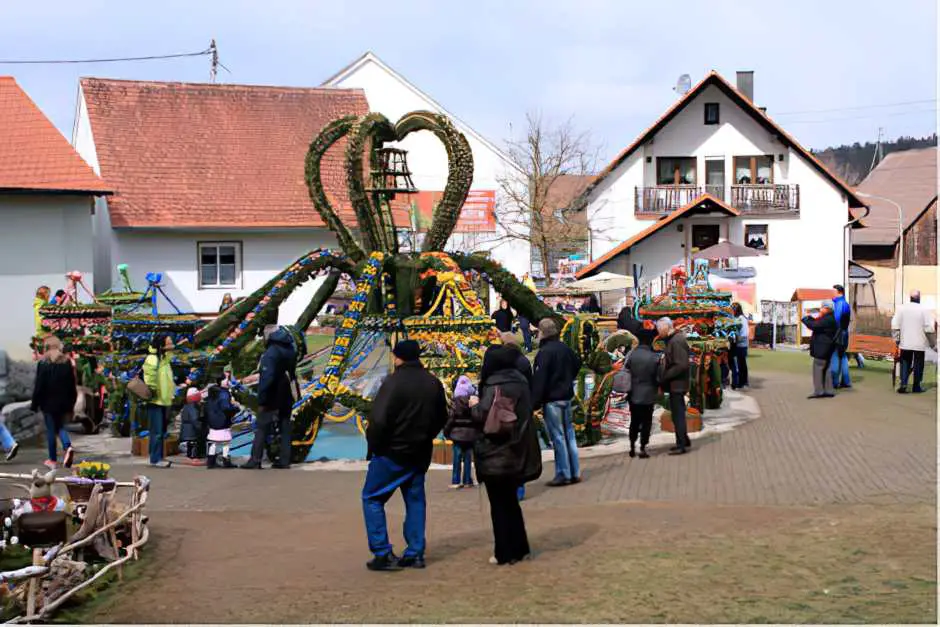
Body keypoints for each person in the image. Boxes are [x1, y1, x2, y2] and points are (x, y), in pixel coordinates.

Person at [362, 340, 447, 571]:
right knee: (415, 500)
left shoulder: (392, 383)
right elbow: (442, 416)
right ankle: (415, 551)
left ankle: (382, 551)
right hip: (419, 451)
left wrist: (376, 446)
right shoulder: (432, 382)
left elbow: (378, 420)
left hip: (392, 452)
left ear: (398, 357)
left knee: (372, 498)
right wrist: (426, 435)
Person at [470, 344, 541, 565]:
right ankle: (521, 547)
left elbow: (484, 415)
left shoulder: (494, 385)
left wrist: (473, 405)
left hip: (496, 451)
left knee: (499, 504)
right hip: (518, 448)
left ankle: (504, 551)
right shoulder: (521, 381)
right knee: (511, 501)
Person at [531, 318, 582, 486]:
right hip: (566, 396)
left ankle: (563, 473)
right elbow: (577, 364)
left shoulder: (545, 353)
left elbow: (540, 379)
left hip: (552, 399)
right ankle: (575, 471)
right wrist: (567, 380)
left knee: (558, 437)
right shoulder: (565, 349)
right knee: (569, 435)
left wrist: (534, 402)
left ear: (542, 333)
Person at [242, 325, 298, 469]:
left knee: (262, 426)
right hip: (286, 391)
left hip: (273, 392)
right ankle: (284, 460)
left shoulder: (271, 352)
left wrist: (262, 399)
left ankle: (255, 459)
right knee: (285, 426)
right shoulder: (290, 349)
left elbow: (268, 376)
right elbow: (291, 372)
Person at [30, 335, 76, 469]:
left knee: (51, 429)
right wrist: (71, 402)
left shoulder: (43, 363)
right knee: (60, 426)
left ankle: (52, 460)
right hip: (63, 402)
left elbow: (39, 385)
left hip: (48, 403)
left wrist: (35, 404)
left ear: (46, 347)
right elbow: (71, 385)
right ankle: (67, 447)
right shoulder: (66, 362)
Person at [657, 317, 692, 455]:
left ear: (666, 327)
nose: (659, 333)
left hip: (677, 384)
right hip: (676, 383)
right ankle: (684, 439)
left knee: (678, 415)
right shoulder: (674, 339)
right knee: (677, 413)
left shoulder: (676, 341)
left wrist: (665, 375)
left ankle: (681, 444)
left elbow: (681, 364)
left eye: (659, 329)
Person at [892, 290, 937, 394]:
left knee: (905, 362)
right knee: (918, 364)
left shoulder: (901, 308)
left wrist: (897, 340)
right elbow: (929, 328)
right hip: (919, 342)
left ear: (910, 298)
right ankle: (916, 386)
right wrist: (932, 344)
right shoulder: (924, 310)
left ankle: (903, 384)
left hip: (905, 341)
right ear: (919, 298)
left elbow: (895, 325)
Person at [143, 334, 176, 468]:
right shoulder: (152, 359)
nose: (171, 345)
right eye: (168, 343)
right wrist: (152, 390)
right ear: (161, 345)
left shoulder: (165, 359)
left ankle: (160, 457)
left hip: (164, 399)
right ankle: (155, 459)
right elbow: (149, 377)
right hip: (155, 400)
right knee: (156, 432)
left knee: (161, 431)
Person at [624, 332, 659, 459]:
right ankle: (643, 447)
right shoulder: (654, 357)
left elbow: (626, 369)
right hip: (648, 394)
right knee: (646, 421)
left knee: (634, 420)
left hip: (633, 392)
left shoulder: (632, 354)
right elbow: (658, 376)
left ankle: (632, 446)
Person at [444, 375, 476, 489]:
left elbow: (451, 419)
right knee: (467, 458)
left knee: (456, 459)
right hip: (469, 435)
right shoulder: (472, 401)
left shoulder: (455, 403)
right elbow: (476, 417)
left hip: (456, 435)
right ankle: (467, 480)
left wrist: (446, 432)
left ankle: (456, 480)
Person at [801, 302, 838, 399]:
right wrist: (810, 318)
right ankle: (828, 390)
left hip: (822, 348)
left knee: (818, 368)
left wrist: (805, 318)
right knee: (827, 369)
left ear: (826, 308)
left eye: (822, 307)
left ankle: (819, 391)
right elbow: (817, 323)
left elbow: (814, 326)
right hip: (827, 347)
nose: (820, 309)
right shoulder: (830, 318)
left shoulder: (827, 319)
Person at [205, 378, 236, 469]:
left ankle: (210, 462)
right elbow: (226, 408)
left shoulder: (209, 398)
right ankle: (225, 460)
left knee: (213, 442)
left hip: (212, 423)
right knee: (226, 443)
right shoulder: (222, 397)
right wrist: (235, 408)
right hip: (222, 422)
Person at [830, 285, 852, 389]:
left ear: (839, 292)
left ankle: (834, 382)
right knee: (842, 356)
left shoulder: (839, 304)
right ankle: (846, 381)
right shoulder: (845, 304)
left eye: (833, 291)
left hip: (838, 333)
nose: (832, 293)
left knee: (835, 355)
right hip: (844, 333)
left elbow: (836, 319)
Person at [729, 303, 750, 390]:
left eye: (733, 310)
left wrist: (735, 339)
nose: (732, 311)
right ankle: (742, 382)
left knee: (739, 364)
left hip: (740, 344)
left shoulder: (741, 319)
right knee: (741, 363)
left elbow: (743, 333)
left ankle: (740, 383)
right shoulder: (740, 318)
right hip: (740, 343)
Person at [180, 387, 203, 461]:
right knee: (194, 443)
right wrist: (200, 428)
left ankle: (190, 455)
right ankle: (193, 456)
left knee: (190, 444)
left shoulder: (186, 406)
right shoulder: (193, 407)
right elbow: (194, 419)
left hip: (186, 430)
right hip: (191, 431)